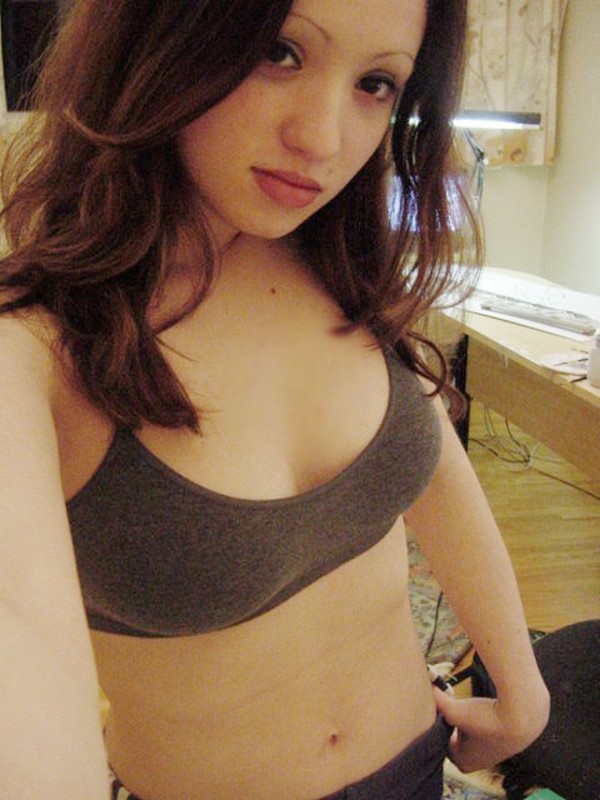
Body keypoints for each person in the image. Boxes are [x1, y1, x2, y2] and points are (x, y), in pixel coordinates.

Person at [0, 0, 550, 798]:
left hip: (414, 766)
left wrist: (521, 687)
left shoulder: (336, 257)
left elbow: (433, 467)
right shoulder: (35, 351)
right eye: (280, 51)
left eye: (375, 83)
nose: (322, 140)